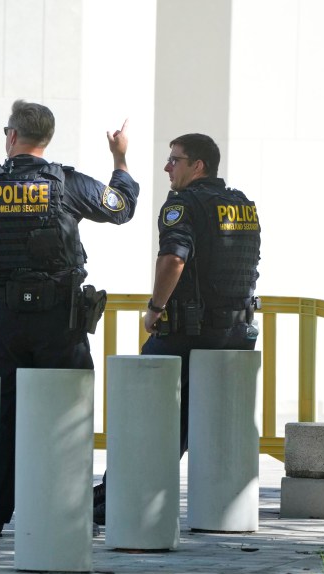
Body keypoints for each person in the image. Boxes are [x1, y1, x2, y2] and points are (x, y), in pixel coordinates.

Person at [0, 100, 139, 535]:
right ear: (48, 138)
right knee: (66, 416)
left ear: (11, 136)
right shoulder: (68, 182)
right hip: (57, 318)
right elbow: (121, 207)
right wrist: (119, 159)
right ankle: (63, 514)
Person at [92, 133, 260, 524]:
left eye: (174, 160)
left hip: (188, 332)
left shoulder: (183, 204)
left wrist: (155, 309)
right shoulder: (242, 205)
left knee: (148, 414)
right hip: (235, 335)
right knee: (189, 424)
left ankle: (122, 495)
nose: (168, 167)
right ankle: (120, 493)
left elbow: (173, 260)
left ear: (197, 166)